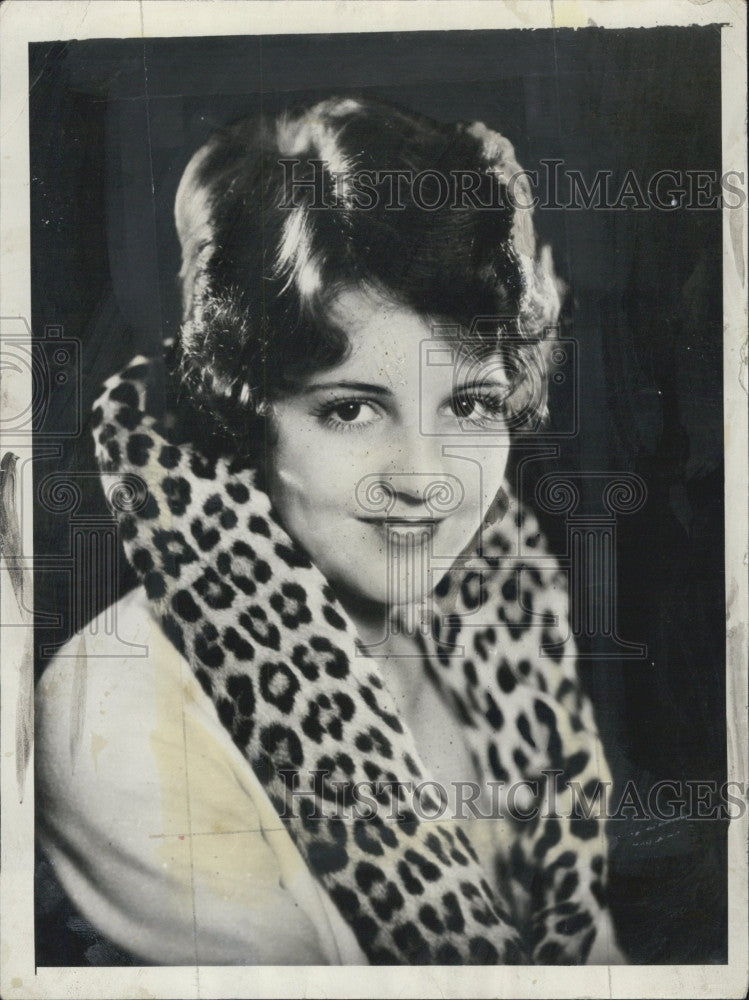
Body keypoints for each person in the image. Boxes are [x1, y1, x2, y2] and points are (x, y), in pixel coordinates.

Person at [35, 96, 624, 965]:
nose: (425, 478)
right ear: (248, 415)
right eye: (350, 409)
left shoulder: (503, 631)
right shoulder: (122, 709)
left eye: (469, 403)